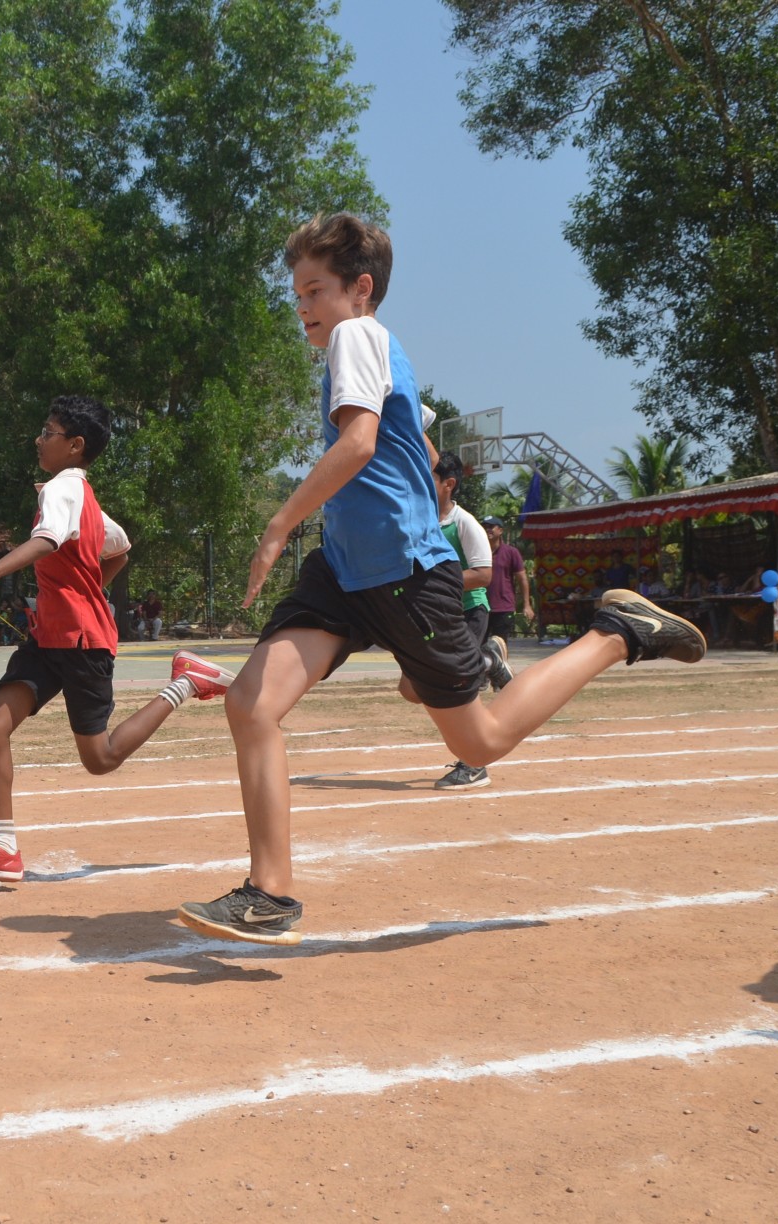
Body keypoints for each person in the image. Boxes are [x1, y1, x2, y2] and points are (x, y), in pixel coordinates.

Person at [175, 212, 707, 945]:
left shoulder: (356, 337)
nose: (301, 307)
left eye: (314, 291)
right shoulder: (363, 349)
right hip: (348, 572)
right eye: (296, 292)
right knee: (251, 704)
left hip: (400, 574)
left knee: (481, 741)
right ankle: (270, 895)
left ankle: (618, 633)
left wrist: (279, 524)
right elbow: (415, 441)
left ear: (360, 290)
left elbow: (361, 441)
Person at [0, 395, 234, 882]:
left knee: (101, 759)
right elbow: (119, 547)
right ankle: (3, 848)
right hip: (49, 638)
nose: (38, 439)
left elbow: (48, 541)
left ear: (74, 446)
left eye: (47, 432)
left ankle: (187, 683)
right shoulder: (80, 493)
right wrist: (84, 586)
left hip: (81, 643)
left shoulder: (63, 489)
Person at [430, 454, 513, 791]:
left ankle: (474, 762)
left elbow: (483, 574)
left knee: (457, 682)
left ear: (448, 484)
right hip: (436, 612)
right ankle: (489, 661)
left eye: (428, 476)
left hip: (469, 610)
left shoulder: (465, 523)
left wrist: (433, 584)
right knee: (413, 686)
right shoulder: (420, 518)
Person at [481, 517, 531, 643]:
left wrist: (527, 605)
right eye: (485, 527)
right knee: (478, 645)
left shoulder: (511, 552)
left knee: (500, 645)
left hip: (503, 607)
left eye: (491, 527)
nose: (487, 530)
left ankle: (501, 663)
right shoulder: (477, 551)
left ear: (500, 530)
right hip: (480, 607)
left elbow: (522, 579)